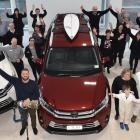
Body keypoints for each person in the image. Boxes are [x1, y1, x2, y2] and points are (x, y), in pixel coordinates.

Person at [0, 68, 40, 136]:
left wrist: (29, 99)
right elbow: (5, 75)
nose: (25, 75)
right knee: (23, 117)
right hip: (21, 104)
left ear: (28, 74)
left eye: (26, 74)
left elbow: (37, 95)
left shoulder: (33, 83)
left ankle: (34, 127)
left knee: (33, 116)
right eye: (23, 74)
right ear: (20, 74)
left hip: (32, 103)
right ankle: (23, 127)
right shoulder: (16, 81)